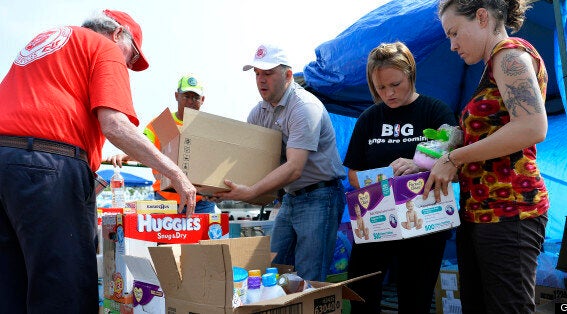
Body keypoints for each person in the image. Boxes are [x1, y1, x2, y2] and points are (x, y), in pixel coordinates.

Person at [0, 10, 197, 313]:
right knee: (64, 287)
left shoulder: (45, 42)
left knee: (13, 285)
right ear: (118, 33)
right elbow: (115, 125)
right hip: (48, 167)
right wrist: (175, 172)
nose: (128, 66)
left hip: (6, 163)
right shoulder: (103, 47)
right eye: (131, 57)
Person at [423, 0, 550, 312]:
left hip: (510, 211)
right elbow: (496, 134)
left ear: (481, 17)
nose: (452, 46)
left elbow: (532, 126)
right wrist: (443, 148)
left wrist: (454, 159)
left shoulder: (509, 55)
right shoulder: (492, 67)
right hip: (481, 212)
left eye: (454, 33)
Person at [213, 43, 346, 282]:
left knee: (309, 276)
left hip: (320, 196)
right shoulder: (258, 113)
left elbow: (294, 168)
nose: (261, 80)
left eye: (268, 73)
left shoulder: (305, 107)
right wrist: (219, 188)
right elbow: (250, 162)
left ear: (287, 75)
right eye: (257, 74)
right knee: (272, 267)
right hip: (290, 198)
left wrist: (251, 191)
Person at [343, 41, 458, 314]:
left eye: (395, 84)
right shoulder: (369, 119)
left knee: (415, 298)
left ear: (410, 74)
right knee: (361, 292)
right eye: (381, 88)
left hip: (424, 225)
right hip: (375, 222)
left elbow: (452, 155)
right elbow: (353, 173)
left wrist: (419, 166)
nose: (389, 93)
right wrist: (386, 179)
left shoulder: (434, 111)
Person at [104, 74, 216, 213]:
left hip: (201, 201)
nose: (191, 101)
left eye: (195, 97)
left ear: (202, 100)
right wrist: (125, 155)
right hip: (166, 201)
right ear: (176, 96)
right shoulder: (162, 124)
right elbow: (142, 148)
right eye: (186, 96)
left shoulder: (209, 127)